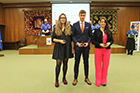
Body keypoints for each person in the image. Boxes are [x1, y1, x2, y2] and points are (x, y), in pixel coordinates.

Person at [52, 13, 73, 87]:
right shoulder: (55, 27)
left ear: (66, 19)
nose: (63, 19)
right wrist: (60, 41)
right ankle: (56, 79)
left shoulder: (69, 27)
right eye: (61, 18)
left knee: (65, 63)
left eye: (64, 18)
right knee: (58, 64)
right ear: (59, 19)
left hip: (67, 48)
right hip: (59, 47)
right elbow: (53, 39)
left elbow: (72, 38)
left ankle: (64, 78)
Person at [91, 17, 114, 87]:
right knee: (98, 66)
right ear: (99, 23)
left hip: (107, 51)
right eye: (102, 22)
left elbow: (112, 40)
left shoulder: (109, 31)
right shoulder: (96, 31)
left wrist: (109, 43)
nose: (103, 23)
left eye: (104, 22)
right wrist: (99, 44)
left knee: (105, 66)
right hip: (98, 50)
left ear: (106, 23)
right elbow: (93, 41)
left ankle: (104, 81)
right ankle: (98, 80)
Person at [72, 10, 92, 85]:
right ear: (79, 15)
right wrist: (77, 43)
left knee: (86, 62)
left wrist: (88, 42)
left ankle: (86, 77)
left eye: (83, 15)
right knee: (77, 62)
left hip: (86, 47)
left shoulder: (88, 25)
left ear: (85, 16)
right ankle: (75, 78)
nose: (82, 17)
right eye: (81, 15)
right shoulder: (75, 25)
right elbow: (72, 36)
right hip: (78, 47)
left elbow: (90, 36)